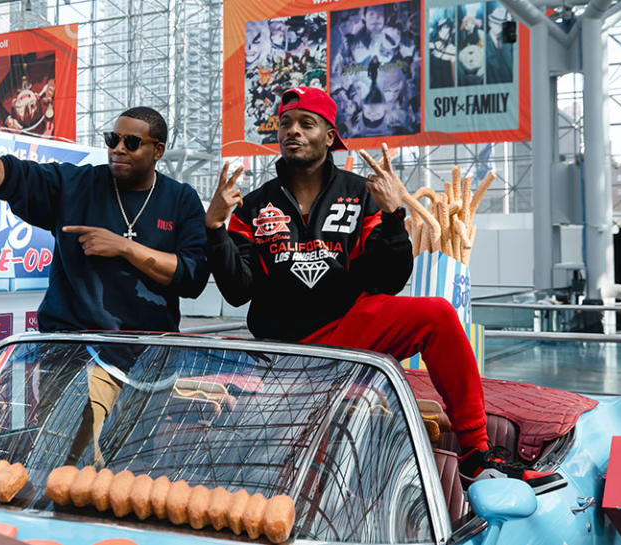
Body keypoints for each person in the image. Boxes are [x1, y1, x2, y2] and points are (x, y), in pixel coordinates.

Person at [203, 86, 565, 493]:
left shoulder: (361, 194)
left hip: (346, 325)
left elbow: (389, 281)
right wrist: (215, 229)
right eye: (285, 124)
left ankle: (477, 456)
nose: (293, 132)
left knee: (437, 315)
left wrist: (394, 216)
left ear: (329, 134)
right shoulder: (252, 205)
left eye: (307, 123)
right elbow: (237, 291)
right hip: (283, 344)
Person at [0, 106, 210, 463]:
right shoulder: (76, 186)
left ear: (157, 150)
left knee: (133, 466)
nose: (118, 149)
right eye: (112, 139)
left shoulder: (181, 200)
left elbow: (191, 277)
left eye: (132, 142)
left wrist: (124, 247)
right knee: (68, 469)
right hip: (74, 358)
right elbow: (9, 174)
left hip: (150, 362)